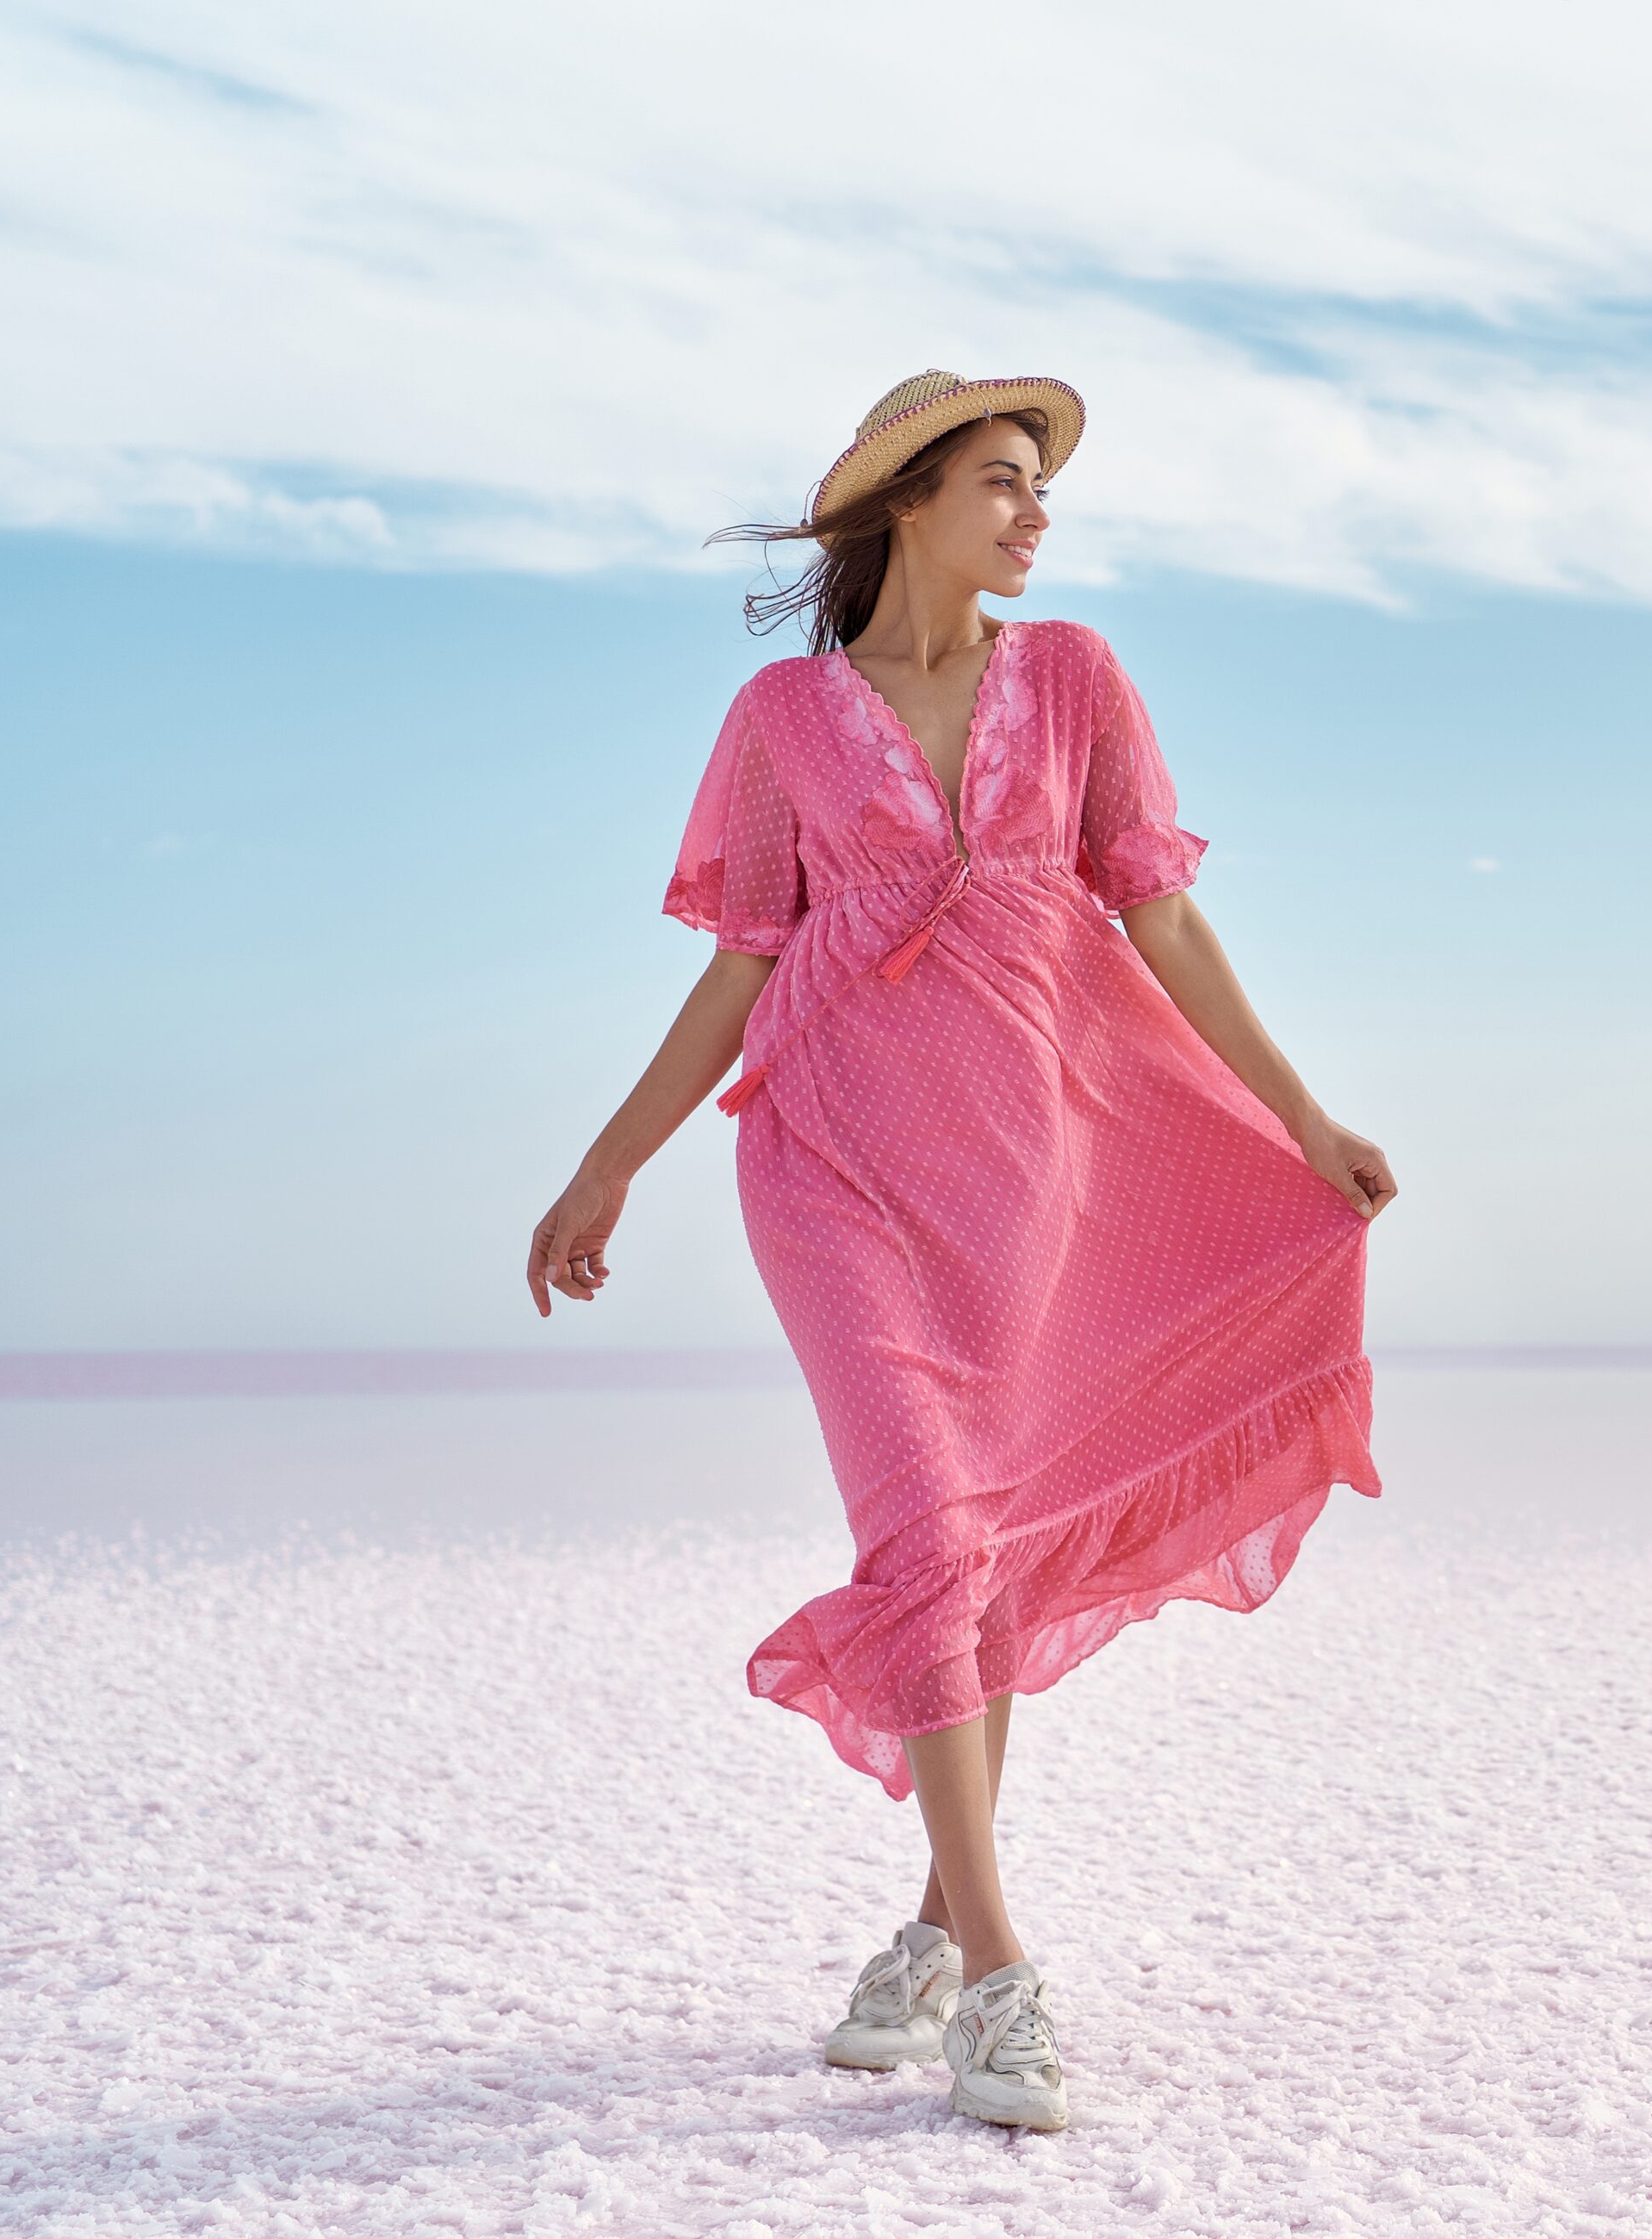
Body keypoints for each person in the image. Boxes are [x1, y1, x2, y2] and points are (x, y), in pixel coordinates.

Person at [525, 370, 1394, 2132]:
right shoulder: (781, 716)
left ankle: (924, 1933)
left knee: (977, 1553)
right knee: (923, 1525)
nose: (1034, 514)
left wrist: (1302, 1120)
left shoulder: (1073, 682)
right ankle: (1001, 1973)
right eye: (1001, 481)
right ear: (905, 499)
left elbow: (1161, 917)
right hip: (831, 1164)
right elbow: (740, 967)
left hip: (1028, 1174)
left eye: (1039, 488)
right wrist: (609, 1165)